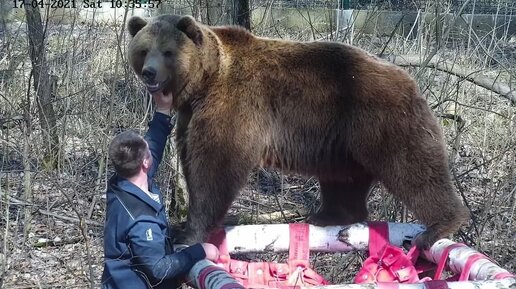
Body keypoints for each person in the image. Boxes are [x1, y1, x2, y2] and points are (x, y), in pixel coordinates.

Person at [101, 91, 219, 289]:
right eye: (147, 152)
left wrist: (163, 110)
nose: (150, 152)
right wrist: (200, 251)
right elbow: (159, 268)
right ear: (145, 163)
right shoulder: (141, 220)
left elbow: (152, 146)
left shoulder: (121, 182)